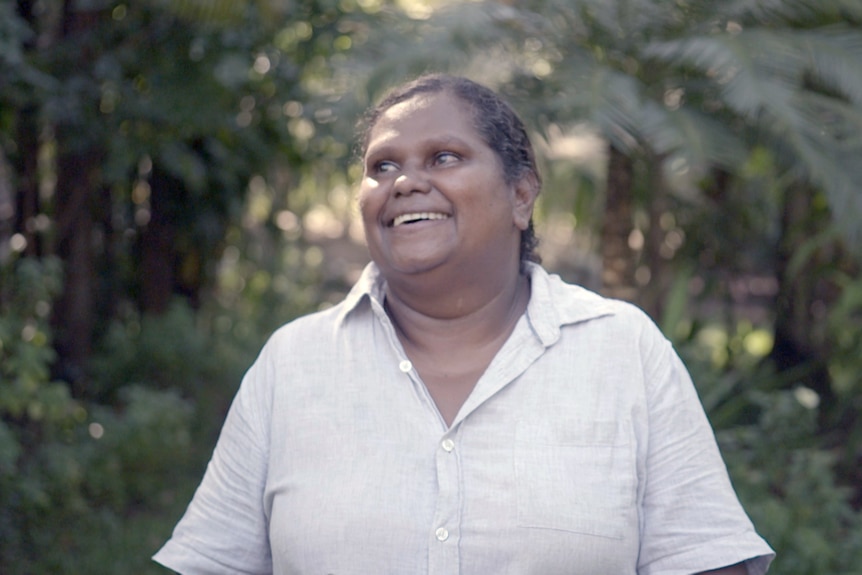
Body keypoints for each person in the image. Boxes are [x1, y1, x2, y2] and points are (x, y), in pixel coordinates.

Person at [153, 74, 774, 574]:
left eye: (443, 156)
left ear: (521, 196)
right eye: (382, 167)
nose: (405, 183)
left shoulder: (622, 349)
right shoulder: (293, 363)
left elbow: (703, 559)